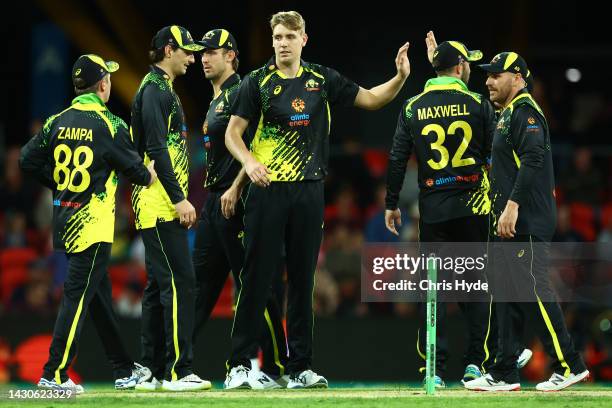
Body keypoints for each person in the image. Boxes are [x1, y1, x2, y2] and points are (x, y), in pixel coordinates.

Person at [224, 10, 410, 389]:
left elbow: (373, 100)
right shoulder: (257, 82)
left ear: (303, 40)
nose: (282, 43)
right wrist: (250, 162)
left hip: (308, 191)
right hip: (266, 190)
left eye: (289, 37)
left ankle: (300, 369)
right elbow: (233, 134)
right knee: (256, 278)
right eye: (277, 37)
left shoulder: (321, 80)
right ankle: (239, 365)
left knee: (303, 281)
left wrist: (402, 76)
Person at [19, 54, 156, 393]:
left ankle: (123, 369)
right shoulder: (111, 125)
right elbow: (138, 173)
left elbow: (25, 160)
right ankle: (54, 373)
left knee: (97, 299)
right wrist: (152, 171)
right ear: (103, 85)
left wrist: (58, 183)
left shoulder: (57, 121)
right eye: (108, 77)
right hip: (92, 226)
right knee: (77, 298)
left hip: (64, 220)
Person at [464, 52, 589, 391]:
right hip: (510, 219)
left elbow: (533, 158)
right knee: (505, 292)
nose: (488, 81)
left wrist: (513, 206)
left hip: (526, 218)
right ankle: (504, 371)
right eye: (487, 75)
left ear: (517, 78)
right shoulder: (507, 114)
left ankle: (569, 364)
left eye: (496, 75)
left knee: (535, 288)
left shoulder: (526, 112)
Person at [385, 34, 497, 387]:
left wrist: (391, 203)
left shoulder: (412, 106)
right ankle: (475, 364)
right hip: (475, 206)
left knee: (434, 288)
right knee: (475, 287)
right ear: (462, 67)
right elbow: (497, 158)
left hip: (433, 209)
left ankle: (433, 365)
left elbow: (397, 158)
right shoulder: (480, 103)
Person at [192, 28, 289, 389]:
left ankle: (276, 365)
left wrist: (236, 188)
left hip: (239, 200)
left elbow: (257, 150)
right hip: (213, 203)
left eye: (212, 52)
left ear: (231, 55)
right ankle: (174, 364)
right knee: (199, 285)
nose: (204, 57)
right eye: (201, 52)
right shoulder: (217, 98)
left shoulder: (242, 91)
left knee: (253, 284)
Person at [129, 25, 210, 392]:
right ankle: (178, 371)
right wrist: (179, 198)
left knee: (158, 287)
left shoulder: (162, 90)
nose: (192, 58)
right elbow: (158, 150)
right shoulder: (154, 91)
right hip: (159, 204)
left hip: (158, 202)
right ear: (167, 50)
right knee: (180, 283)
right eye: (186, 52)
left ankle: (150, 368)